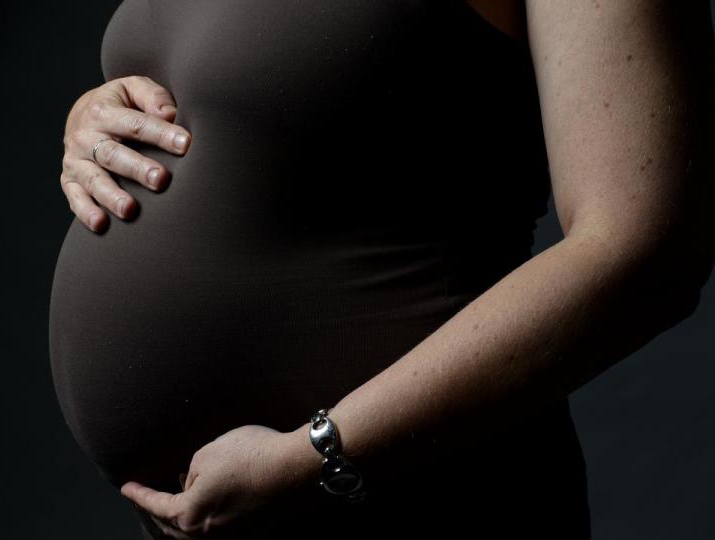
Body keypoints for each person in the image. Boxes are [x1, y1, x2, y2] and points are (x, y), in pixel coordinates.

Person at [49, 1, 714, 538]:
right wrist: (95, 119)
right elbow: (248, 101)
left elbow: (641, 250)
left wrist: (317, 458)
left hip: (413, 494)